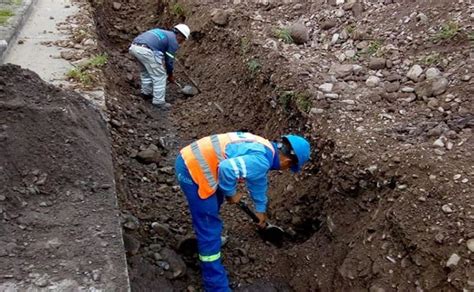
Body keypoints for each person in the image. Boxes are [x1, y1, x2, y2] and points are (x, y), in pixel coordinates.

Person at [175, 131, 311, 291]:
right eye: (290, 167)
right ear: (288, 162)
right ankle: (215, 285)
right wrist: (231, 193)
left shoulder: (266, 147)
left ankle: (208, 243)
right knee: (208, 225)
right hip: (192, 169)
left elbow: (258, 179)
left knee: (215, 201)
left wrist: (260, 210)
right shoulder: (262, 160)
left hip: (196, 159)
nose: (286, 169)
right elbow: (226, 169)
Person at [129, 24, 190, 109]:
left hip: (134, 47)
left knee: (146, 71)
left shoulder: (163, 33)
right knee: (160, 76)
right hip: (146, 50)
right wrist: (170, 75)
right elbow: (169, 61)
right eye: (183, 40)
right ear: (180, 35)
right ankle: (159, 101)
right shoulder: (173, 41)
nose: (181, 42)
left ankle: (146, 93)